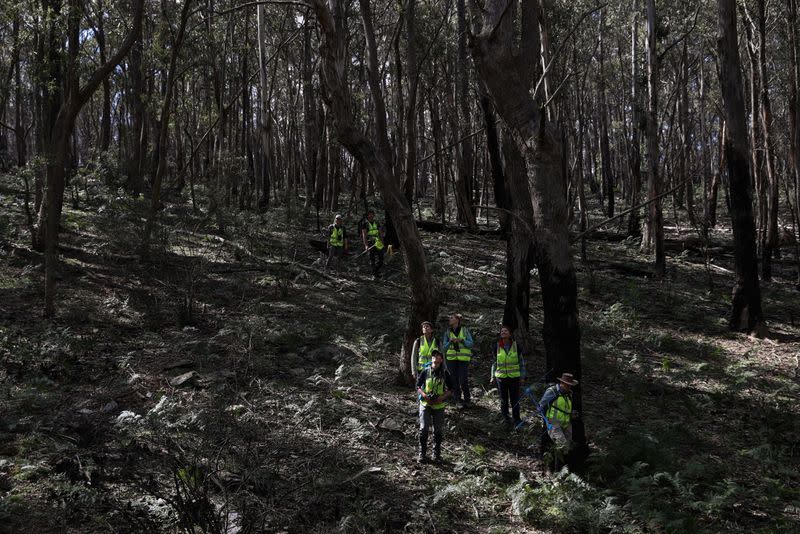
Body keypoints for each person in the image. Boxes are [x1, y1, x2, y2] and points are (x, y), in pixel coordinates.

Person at [415, 350, 454, 463]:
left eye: (438, 356)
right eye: (433, 356)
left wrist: (442, 397)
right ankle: (422, 454)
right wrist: (424, 395)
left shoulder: (445, 373)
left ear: (441, 360)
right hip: (425, 404)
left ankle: (436, 455)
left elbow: (452, 389)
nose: (435, 358)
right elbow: (417, 386)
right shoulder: (425, 371)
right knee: (424, 429)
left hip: (439, 405)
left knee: (438, 431)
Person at [490, 325, 526, 428]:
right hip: (501, 378)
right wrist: (492, 376)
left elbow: (521, 363)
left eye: (506, 331)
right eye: (502, 331)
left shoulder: (516, 346)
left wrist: (522, 377)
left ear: (510, 334)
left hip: (514, 378)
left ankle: (517, 419)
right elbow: (494, 363)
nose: (504, 332)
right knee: (503, 399)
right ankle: (505, 418)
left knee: (515, 400)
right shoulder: (497, 346)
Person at [538, 372, 578, 457]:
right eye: (567, 384)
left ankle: (564, 467)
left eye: (570, 385)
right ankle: (556, 466)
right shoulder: (552, 391)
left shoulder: (569, 393)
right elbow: (541, 406)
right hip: (554, 423)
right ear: (562, 383)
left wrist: (571, 414)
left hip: (566, 423)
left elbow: (565, 407)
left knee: (568, 446)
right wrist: (546, 421)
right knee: (562, 446)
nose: (569, 387)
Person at [442, 313, 474, 408]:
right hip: (451, 359)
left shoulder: (464, 330)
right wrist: (450, 342)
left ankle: (467, 400)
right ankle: (458, 400)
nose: (449, 319)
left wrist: (462, 340)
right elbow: (444, 348)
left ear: (457, 320)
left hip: (463, 359)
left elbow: (471, 344)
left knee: (463, 379)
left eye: (451, 318)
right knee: (454, 380)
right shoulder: (448, 332)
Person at [360, 209, 385, 279]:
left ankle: (375, 271)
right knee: (372, 259)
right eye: (369, 214)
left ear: (374, 215)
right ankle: (374, 275)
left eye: (372, 214)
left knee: (381, 259)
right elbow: (364, 235)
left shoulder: (377, 222)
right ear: (367, 216)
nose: (370, 215)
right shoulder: (365, 224)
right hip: (370, 243)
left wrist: (382, 242)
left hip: (378, 242)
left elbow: (380, 233)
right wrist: (366, 245)